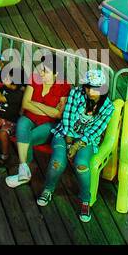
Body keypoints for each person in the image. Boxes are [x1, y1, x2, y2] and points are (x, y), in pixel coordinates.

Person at [40, 69, 114, 220]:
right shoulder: (76, 93)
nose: (92, 91)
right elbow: (67, 119)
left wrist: (75, 146)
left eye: (97, 88)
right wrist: (68, 145)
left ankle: (85, 199)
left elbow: (95, 131)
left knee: (81, 166)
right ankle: (48, 189)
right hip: (65, 134)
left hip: (86, 140)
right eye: (89, 87)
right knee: (57, 162)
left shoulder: (108, 107)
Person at [4, 61, 72, 189]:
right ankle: (23, 168)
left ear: (56, 73)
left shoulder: (64, 86)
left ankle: (24, 174)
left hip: (50, 124)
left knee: (28, 137)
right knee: (22, 123)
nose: (41, 73)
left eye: (45, 71)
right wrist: (48, 110)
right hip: (30, 117)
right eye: (41, 70)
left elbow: (58, 115)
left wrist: (36, 104)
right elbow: (25, 104)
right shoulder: (35, 79)